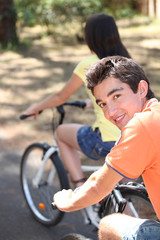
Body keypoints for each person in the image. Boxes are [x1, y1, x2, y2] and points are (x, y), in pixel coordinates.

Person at [53, 56, 160, 240]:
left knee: (109, 224)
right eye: (102, 104)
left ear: (142, 89)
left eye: (116, 96)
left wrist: (67, 201)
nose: (110, 113)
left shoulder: (141, 125)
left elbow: (98, 187)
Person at [21, 13, 131, 187]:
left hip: (108, 139)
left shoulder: (91, 64)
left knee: (62, 133)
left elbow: (61, 96)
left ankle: (79, 186)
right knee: (121, 194)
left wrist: (36, 107)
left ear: (91, 38)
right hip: (133, 136)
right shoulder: (127, 61)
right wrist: (93, 103)